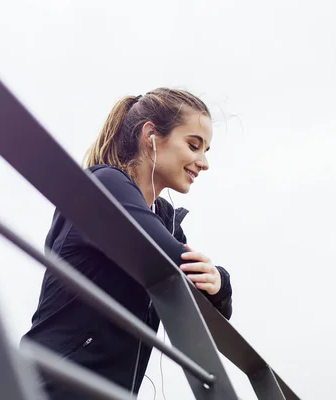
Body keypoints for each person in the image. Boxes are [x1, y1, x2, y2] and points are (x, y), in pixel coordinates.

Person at [22, 88, 233, 399]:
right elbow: (176, 264)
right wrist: (215, 277)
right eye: (193, 145)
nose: (203, 163)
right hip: (53, 386)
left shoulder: (166, 223)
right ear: (151, 135)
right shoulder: (104, 184)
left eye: (206, 151)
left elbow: (204, 308)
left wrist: (220, 283)